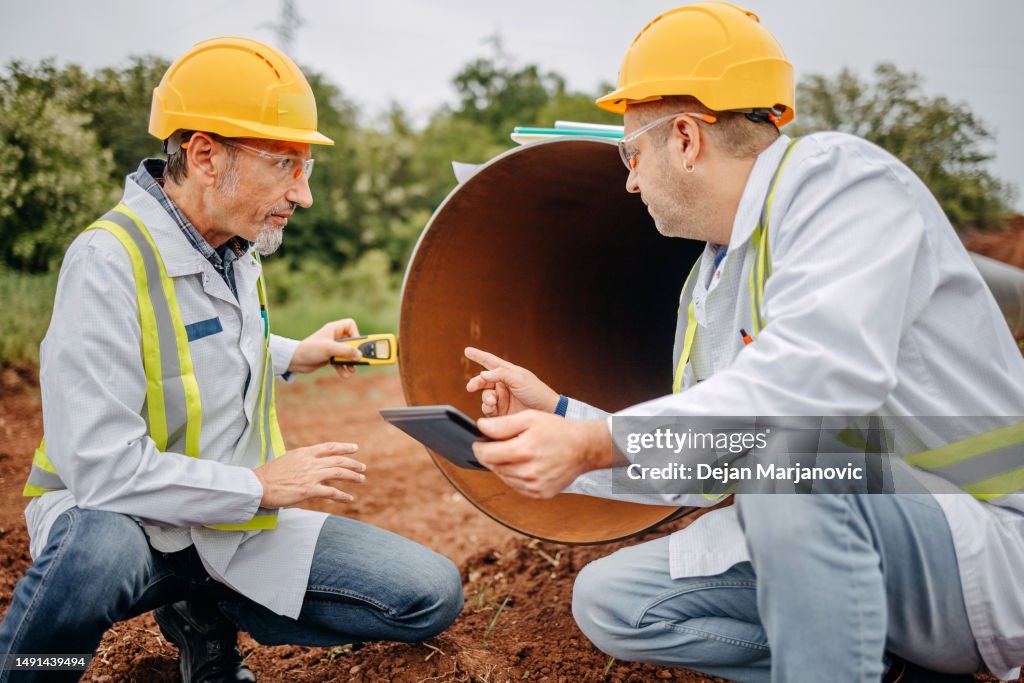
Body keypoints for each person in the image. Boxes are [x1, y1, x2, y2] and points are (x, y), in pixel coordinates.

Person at [464, 4, 1024, 682]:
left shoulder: (842, 184)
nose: (630, 180)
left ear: (685, 138)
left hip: (985, 545)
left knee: (786, 448)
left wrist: (594, 442)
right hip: (871, 532)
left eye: (630, 154)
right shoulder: (712, 280)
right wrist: (562, 417)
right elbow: (711, 460)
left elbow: (813, 383)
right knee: (614, 601)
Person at [0, 37, 462, 682]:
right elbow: (100, 467)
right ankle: (30, 668)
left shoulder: (237, 246)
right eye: (284, 165)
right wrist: (260, 487)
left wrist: (299, 353)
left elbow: (200, 342)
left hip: (225, 522)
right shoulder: (109, 260)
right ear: (206, 156)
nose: (301, 195)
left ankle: (202, 611)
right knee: (95, 554)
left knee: (430, 594)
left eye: (304, 168)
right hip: (130, 520)